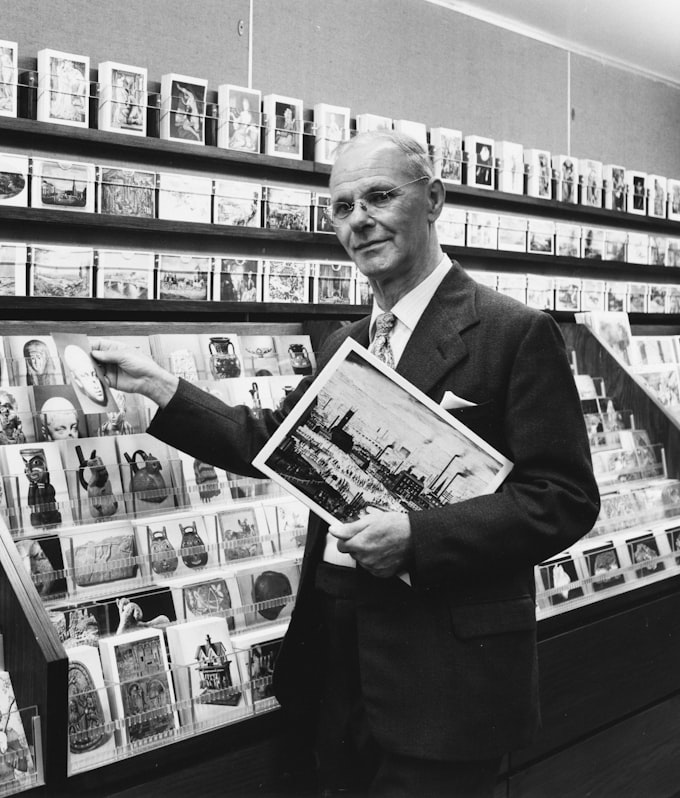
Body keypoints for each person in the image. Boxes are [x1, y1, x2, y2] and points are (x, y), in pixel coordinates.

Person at [92, 130, 600, 797]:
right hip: (335, 677)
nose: (358, 220)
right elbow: (271, 442)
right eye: (341, 207)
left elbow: (562, 496)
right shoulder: (347, 342)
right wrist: (160, 386)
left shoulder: (513, 332)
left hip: (445, 689)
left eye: (379, 197)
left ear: (435, 200)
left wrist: (418, 540)